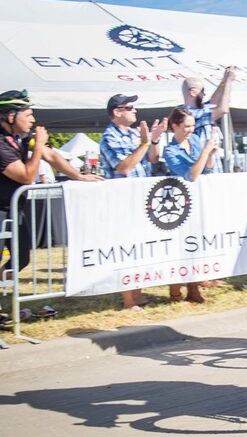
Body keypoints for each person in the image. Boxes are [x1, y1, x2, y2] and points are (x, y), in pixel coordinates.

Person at [1, 90, 102, 279]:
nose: (33, 120)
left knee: (21, 259)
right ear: (11, 116)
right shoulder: (1, 143)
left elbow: (51, 156)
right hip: (1, 209)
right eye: (29, 115)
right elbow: (26, 176)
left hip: (13, 209)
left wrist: (78, 177)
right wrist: (38, 146)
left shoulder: (21, 137)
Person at [99, 93, 167, 310]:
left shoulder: (132, 134)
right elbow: (124, 166)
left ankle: (138, 294)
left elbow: (153, 158)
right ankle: (129, 299)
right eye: (130, 107)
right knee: (127, 249)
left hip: (141, 198)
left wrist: (153, 140)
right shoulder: (109, 136)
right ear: (117, 112)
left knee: (139, 248)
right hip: (121, 200)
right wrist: (145, 143)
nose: (135, 111)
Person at [163, 107, 219, 304]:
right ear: (175, 126)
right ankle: (175, 292)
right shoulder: (169, 151)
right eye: (186, 126)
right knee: (178, 247)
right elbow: (191, 176)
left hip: (199, 200)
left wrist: (210, 153)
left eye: (193, 126)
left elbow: (208, 168)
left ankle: (194, 289)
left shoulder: (194, 141)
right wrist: (205, 152)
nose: (190, 130)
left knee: (195, 244)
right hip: (178, 203)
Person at [180, 67, 236, 171]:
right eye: (202, 91)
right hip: (202, 171)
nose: (204, 94)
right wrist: (228, 82)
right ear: (192, 92)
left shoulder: (197, 110)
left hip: (210, 168)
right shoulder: (188, 114)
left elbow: (213, 101)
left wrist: (223, 80)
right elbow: (222, 109)